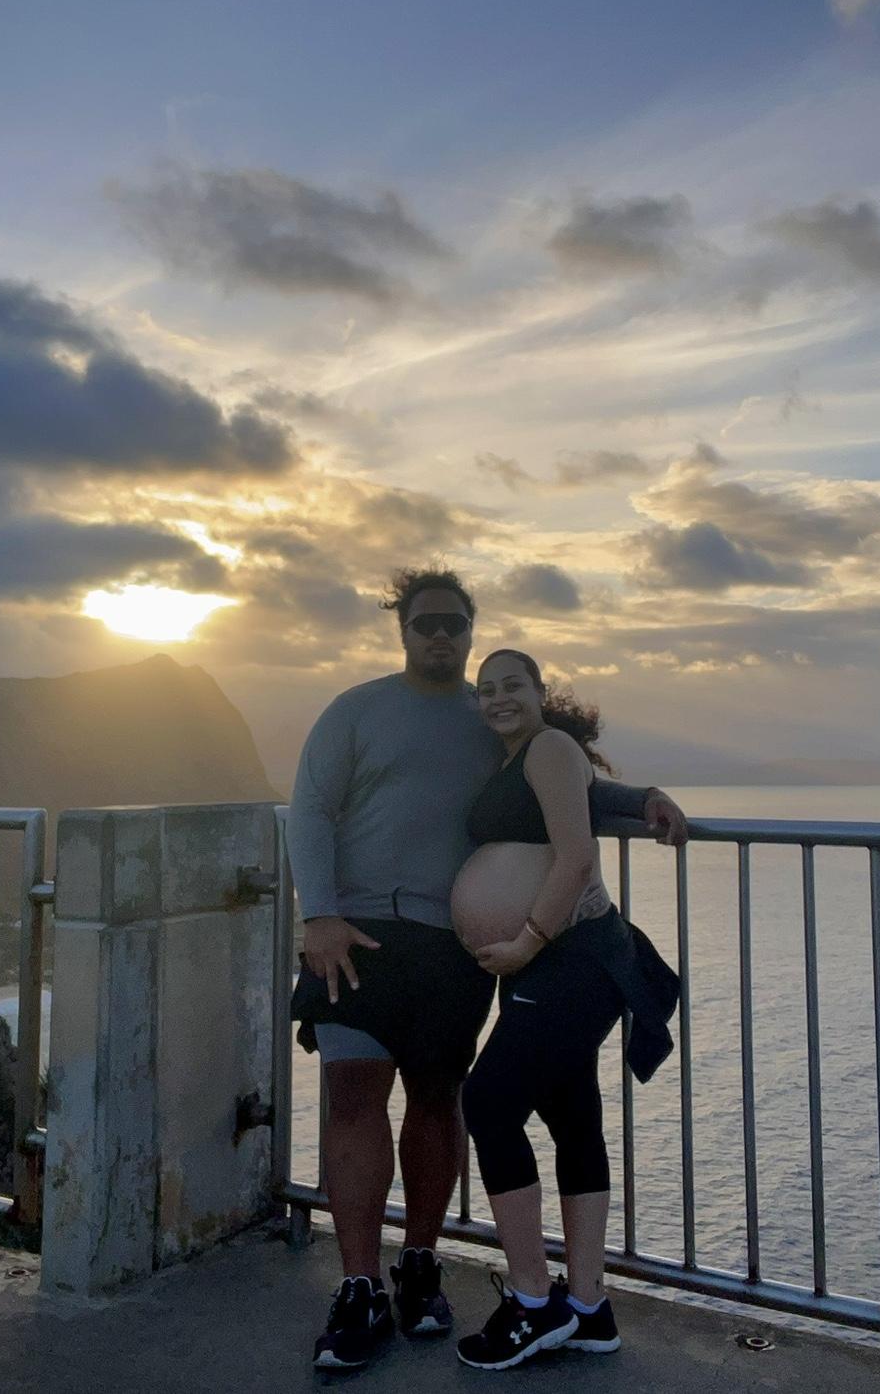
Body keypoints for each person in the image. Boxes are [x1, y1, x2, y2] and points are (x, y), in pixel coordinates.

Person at [287, 567, 688, 1372]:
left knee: (440, 1099)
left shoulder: (490, 724)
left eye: (454, 625)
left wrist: (644, 795)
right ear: (402, 630)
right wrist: (318, 913)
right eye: (425, 623)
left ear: (469, 633)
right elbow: (309, 809)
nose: (439, 635)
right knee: (353, 1092)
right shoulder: (354, 711)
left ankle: (423, 1265)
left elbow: (565, 789)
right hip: (356, 931)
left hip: (451, 949)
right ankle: (361, 1286)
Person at [452, 648, 680, 1372]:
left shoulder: (549, 746)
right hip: (559, 960)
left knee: (488, 1102)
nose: (497, 698)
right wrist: (640, 792)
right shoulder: (518, 758)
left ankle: (532, 1299)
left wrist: (527, 939)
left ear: (540, 692)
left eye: (511, 685)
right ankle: (587, 1308)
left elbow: (575, 855)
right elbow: (582, 803)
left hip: (568, 953)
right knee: (572, 1114)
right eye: (486, 690)